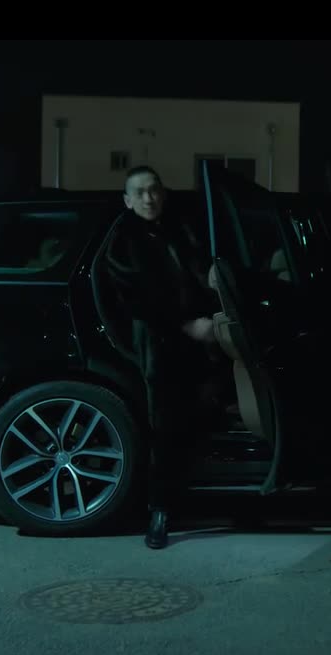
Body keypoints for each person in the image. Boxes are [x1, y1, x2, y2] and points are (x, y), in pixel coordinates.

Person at [104, 165, 220, 549]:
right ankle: (160, 511)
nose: (148, 198)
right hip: (159, 346)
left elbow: (197, 269)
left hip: (196, 343)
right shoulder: (124, 240)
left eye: (153, 190)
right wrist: (187, 325)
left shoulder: (178, 229)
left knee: (197, 418)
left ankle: (190, 494)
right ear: (127, 200)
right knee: (164, 428)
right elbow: (139, 301)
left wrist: (213, 277)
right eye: (139, 193)